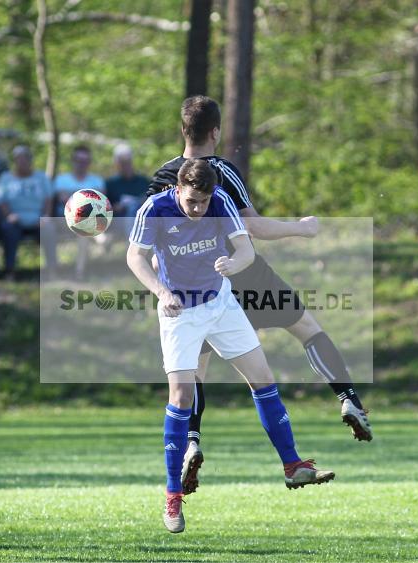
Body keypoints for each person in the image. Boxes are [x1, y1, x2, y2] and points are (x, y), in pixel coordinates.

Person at [148, 96, 371, 497]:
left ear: (183, 130)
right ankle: (347, 396)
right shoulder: (220, 171)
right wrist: (300, 228)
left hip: (189, 288)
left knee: (194, 371)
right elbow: (251, 228)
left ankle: (192, 439)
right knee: (305, 328)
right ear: (216, 131)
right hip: (243, 274)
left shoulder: (165, 176)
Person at [128, 159, 334, 533]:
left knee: (263, 379)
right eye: (191, 202)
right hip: (179, 311)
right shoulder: (154, 209)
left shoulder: (220, 200)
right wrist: (161, 291)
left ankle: (293, 467)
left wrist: (233, 263)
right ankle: (173, 498)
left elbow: (246, 250)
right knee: (181, 397)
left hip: (220, 303)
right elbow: (135, 257)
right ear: (178, 189)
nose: (197, 209)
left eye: (202, 203)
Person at [0, 145, 54, 278]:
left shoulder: (41, 178)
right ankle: (9, 270)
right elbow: (0, 200)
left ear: (30, 160)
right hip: (15, 218)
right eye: (18, 159)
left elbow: (48, 199)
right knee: (8, 229)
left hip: (38, 218)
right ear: (14, 161)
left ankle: (51, 270)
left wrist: (46, 216)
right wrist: (9, 215)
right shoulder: (6, 178)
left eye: (25, 159)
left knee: (49, 229)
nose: (22, 162)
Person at [51, 145, 106, 279]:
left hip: (90, 220)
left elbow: (103, 203)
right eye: (78, 160)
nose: (81, 164)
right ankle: (101, 238)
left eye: (85, 161)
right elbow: (63, 199)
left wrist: (76, 197)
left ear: (89, 163)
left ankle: (80, 272)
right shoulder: (61, 180)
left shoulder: (97, 180)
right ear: (73, 161)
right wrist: (90, 198)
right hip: (65, 220)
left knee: (83, 228)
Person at [105, 143, 150, 238]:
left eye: (128, 161)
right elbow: (105, 209)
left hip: (144, 218)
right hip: (120, 220)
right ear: (116, 163)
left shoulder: (144, 181)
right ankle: (133, 241)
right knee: (131, 207)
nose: (126, 165)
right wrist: (118, 207)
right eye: (122, 162)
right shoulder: (110, 183)